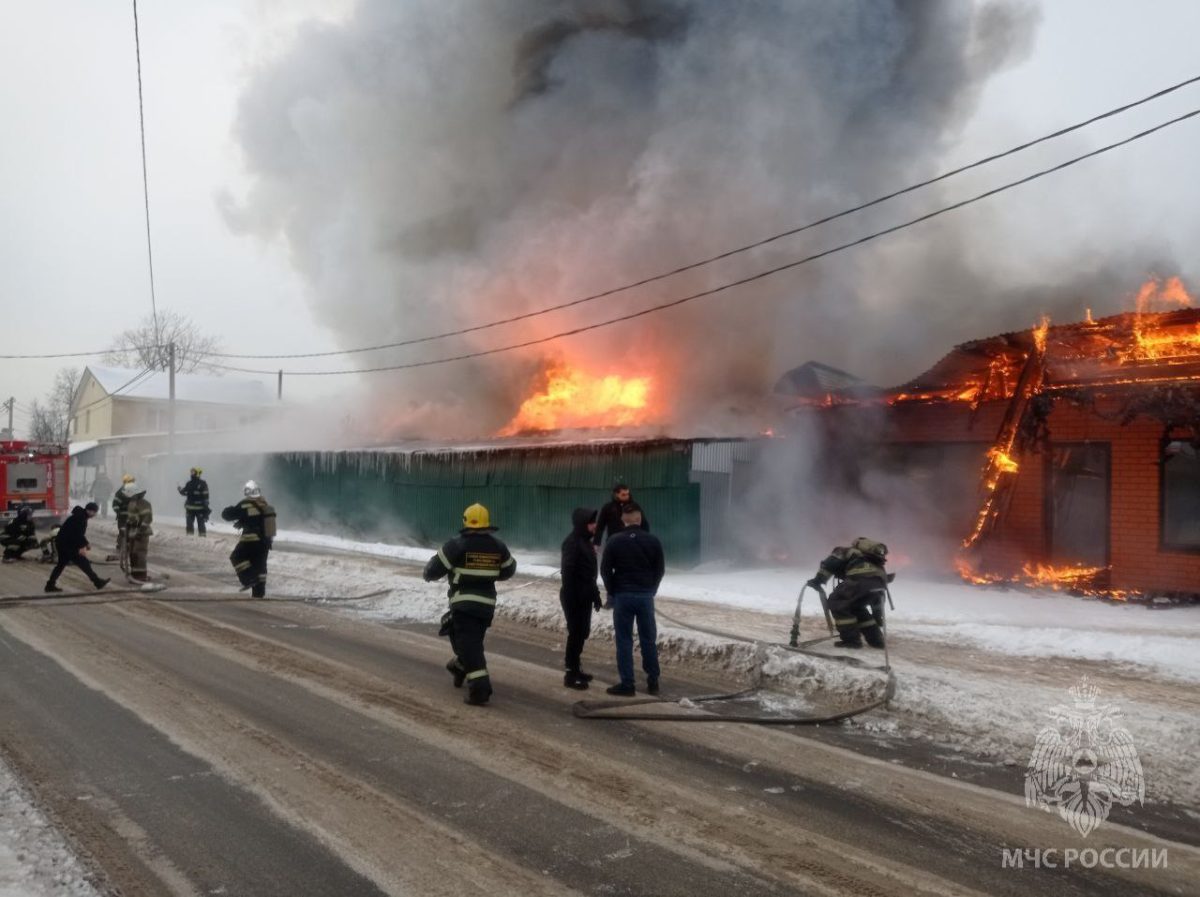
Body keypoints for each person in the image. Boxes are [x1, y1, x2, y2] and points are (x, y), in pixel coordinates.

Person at [423, 503, 516, 706]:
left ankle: (480, 690)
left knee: (470, 646)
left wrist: (429, 575)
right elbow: (509, 570)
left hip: (463, 604)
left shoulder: (457, 545)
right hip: (485, 607)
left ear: (465, 521)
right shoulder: (498, 546)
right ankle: (459, 666)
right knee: (470, 642)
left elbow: (432, 569)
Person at [599, 503, 664, 696]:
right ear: (640, 519)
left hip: (623, 596)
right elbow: (659, 570)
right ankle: (653, 680)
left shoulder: (614, 540)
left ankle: (627, 684)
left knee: (624, 640)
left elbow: (604, 570)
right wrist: (652, 589)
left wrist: (612, 591)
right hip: (645, 596)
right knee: (648, 639)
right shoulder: (653, 541)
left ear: (623, 520)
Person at [806, 537, 889, 649]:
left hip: (860, 581)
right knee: (856, 607)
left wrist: (818, 581)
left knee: (837, 602)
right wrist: (877, 617)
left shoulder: (844, 551)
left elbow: (830, 565)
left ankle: (851, 641)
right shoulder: (871, 558)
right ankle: (876, 640)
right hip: (880, 583)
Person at [560, 508, 602, 689]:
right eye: (591, 522)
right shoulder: (573, 543)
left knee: (582, 633)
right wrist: (573, 596)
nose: (595, 525)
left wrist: (595, 595)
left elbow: (588, 574)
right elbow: (568, 572)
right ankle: (570, 674)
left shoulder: (585, 542)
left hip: (584, 594)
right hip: (574, 596)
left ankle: (576, 668)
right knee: (576, 633)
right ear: (582, 524)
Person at [221, 480, 276, 598]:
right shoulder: (264, 504)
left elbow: (228, 515)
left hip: (250, 539)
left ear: (247, 492)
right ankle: (258, 594)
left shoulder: (245, 503)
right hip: (265, 542)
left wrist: (228, 509)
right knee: (260, 566)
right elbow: (259, 520)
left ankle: (249, 579)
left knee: (236, 557)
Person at [44, 503, 110, 592]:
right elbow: (76, 535)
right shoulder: (81, 518)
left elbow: (78, 533)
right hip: (67, 545)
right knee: (84, 563)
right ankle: (97, 582)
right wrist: (83, 546)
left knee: (61, 565)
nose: (95, 514)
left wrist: (85, 543)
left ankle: (50, 585)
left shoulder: (80, 516)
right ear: (90, 511)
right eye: (94, 512)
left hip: (63, 543)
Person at [593, 480, 651, 549]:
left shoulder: (634, 507)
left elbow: (644, 524)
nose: (627, 496)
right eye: (623, 494)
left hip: (631, 543)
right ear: (616, 494)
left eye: (627, 494)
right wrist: (596, 543)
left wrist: (645, 540)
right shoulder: (608, 508)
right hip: (613, 543)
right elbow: (600, 526)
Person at [124, 485, 154, 583]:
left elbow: (147, 518)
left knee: (139, 553)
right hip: (133, 531)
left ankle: (141, 575)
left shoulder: (144, 503)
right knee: (133, 553)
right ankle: (135, 574)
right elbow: (131, 517)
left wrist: (141, 530)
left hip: (142, 532)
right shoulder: (132, 503)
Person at [178, 467, 210, 536]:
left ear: (197, 473)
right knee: (189, 525)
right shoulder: (189, 483)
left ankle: (202, 538)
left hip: (200, 509)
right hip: (190, 509)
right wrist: (180, 490)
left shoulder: (202, 484)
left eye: (193, 472)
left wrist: (206, 508)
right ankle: (190, 539)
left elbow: (206, 497)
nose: (192, 474)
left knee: (201, 525)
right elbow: (184, 492)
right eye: (191, 472)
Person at [111, 474, 136, 562]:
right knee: (123, 531)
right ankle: (120, 546)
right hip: (123, 517)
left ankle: (129, 547)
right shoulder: (120, 493)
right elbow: (115, 504)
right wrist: (119, 512)